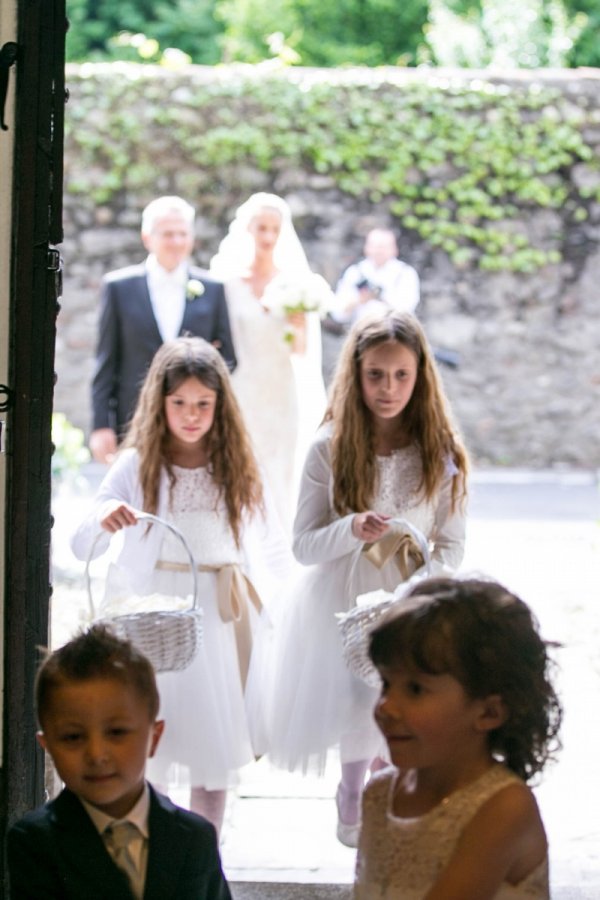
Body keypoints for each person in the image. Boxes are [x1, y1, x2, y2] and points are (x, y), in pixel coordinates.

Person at [72, 337, 292, 835]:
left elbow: (272, 545)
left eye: (203, 404)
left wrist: (288, 606)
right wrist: (105, 518)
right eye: (179, 404)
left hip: (218, 617)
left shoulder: (237, 468)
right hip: (156, 620)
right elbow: (80, 546)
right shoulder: (135, 465)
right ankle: (159, 847)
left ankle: (204, 857)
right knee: (153, 740)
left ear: (220, 406)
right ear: (160, 402)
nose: (191, 415)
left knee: (214, 750)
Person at [266, 310, 469, 848]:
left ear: (421, 374)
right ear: (355, 375)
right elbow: (303, 545)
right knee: (360, 702)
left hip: (413, 602)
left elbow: (451, 544)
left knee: (407, 703)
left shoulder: (440, 451)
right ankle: (354, 793)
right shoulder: (327, 448)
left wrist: (422, 587)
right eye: (376, 374)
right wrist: (351, 528)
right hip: (342, 600)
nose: (388, 388)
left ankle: (391, 795)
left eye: (402, 375)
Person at [353, 576, 562, 900]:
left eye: (415, 689)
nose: (386, 706)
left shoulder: (504, 808)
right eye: (386, 683)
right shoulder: (379, 795)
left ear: (489, 713)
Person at [6, 624, 232, 900]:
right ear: (48, 746)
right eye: (73, 737)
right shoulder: (34, 842)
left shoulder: (195, 837)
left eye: (116, 732)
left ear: (154, 737)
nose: (96, 754)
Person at [210, 192, 327, 530]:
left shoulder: (295, 284)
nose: (268, 237)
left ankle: (277, 547)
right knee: (241, 463)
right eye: (261, 228)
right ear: (247, 229)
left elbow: (302, 351)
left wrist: (296, 325)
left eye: (274, 229)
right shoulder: (227, 284)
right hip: (242, 387)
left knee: (281, 469)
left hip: (282, 391)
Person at [90, 195, 236, 465]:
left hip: (194, 425)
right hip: (132, 418)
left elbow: (229, 358)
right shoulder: (118, 287)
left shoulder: (213, 288)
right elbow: (106, 361)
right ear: (148, 238)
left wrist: (201, 397)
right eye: (168, 234)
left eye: (183, 234)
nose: (177, 242)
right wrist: (101, 425)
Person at [333, 228, 420, 325]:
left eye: (383, 246)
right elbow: (338, 313)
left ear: (394, 249)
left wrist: (380, 296)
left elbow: (407, 311)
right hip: (362, 331)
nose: (379, 251)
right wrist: (359, 299)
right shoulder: (354, 272)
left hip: (395, 332)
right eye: (375, 246)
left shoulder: (406, 273)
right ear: (366, 248)